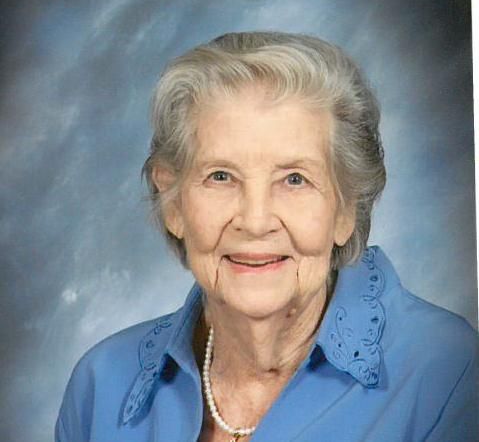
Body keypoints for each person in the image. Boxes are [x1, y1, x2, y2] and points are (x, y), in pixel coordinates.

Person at [55, 32, 478, 442]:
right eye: (220, 176)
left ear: (345, 209)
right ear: (173, 204)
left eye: (294, 179)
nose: (255, 222)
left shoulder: (447, 373)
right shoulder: (102, 386)